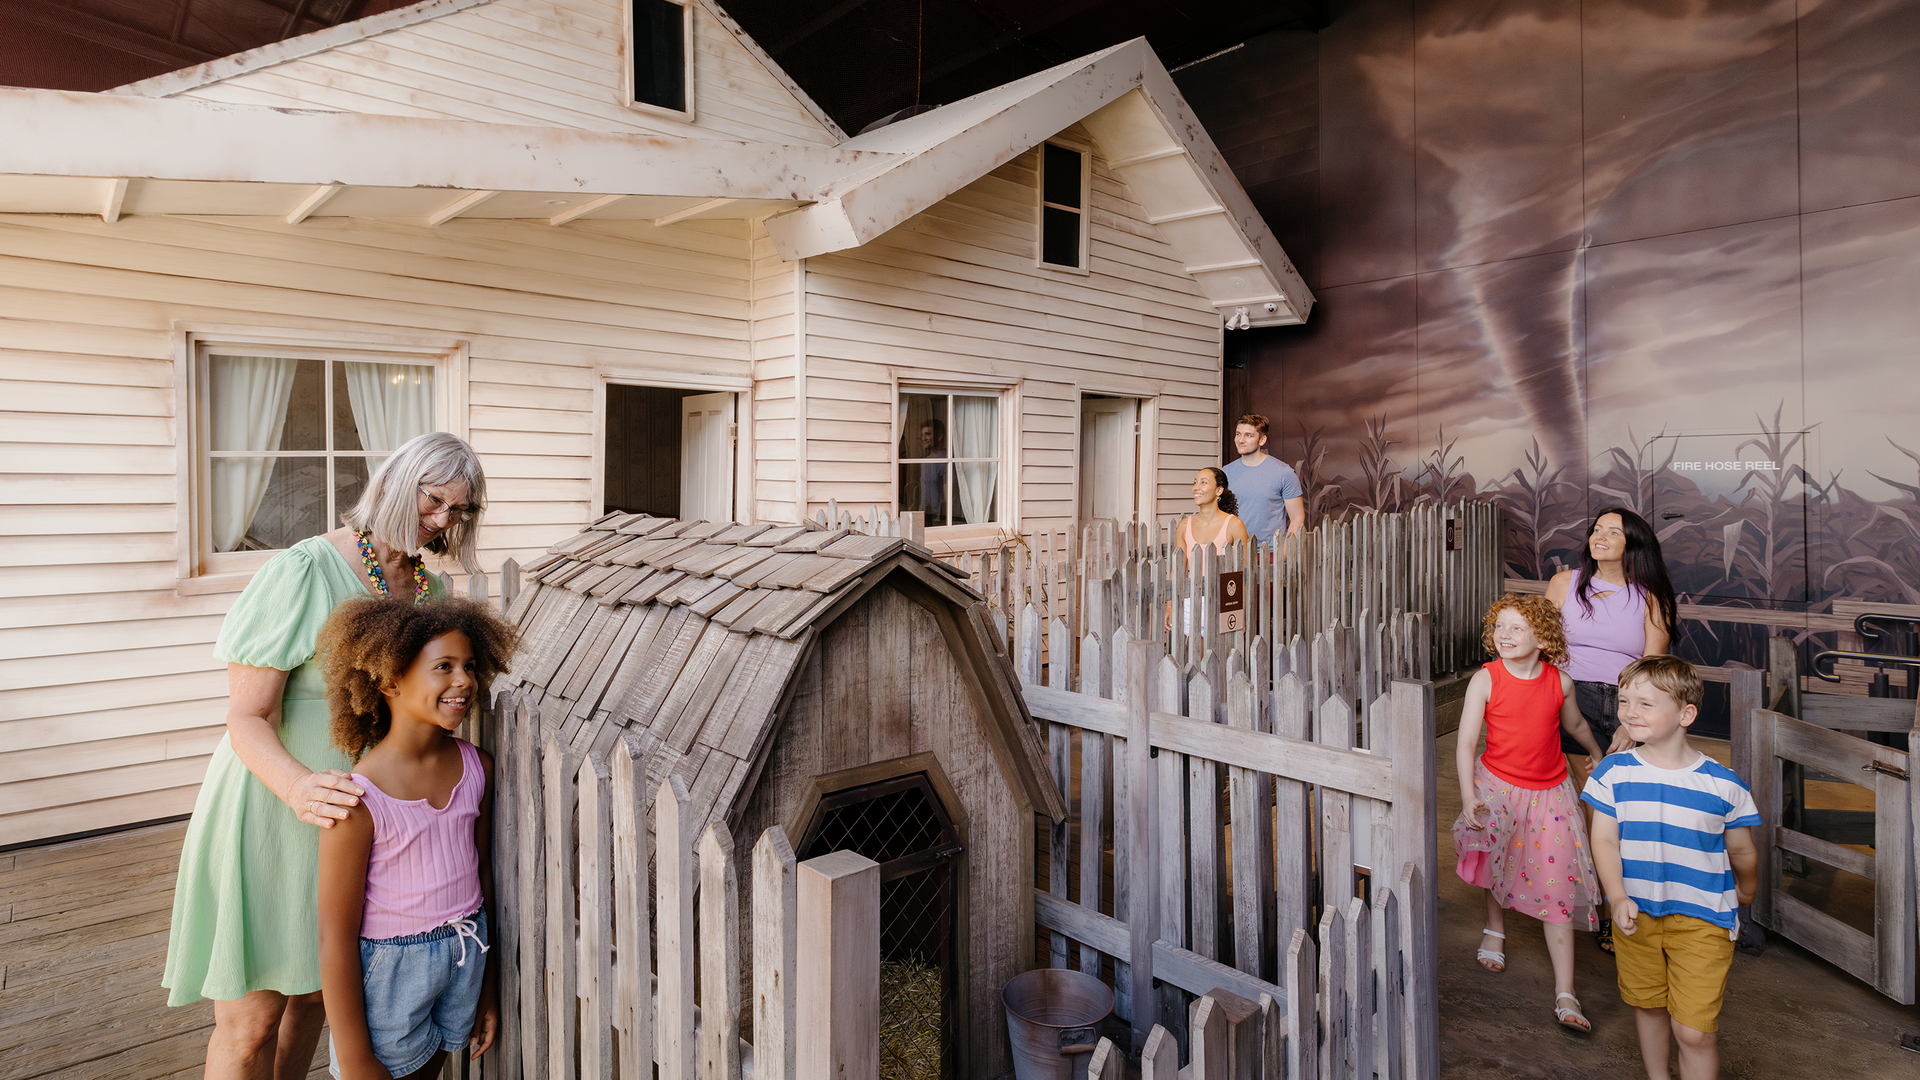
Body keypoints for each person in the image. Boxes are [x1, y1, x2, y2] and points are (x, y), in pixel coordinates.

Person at [164, 432, 487, 1080]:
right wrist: (298, 787)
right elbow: (246, 715)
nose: (442, 520)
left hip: (358, 821)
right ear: (394, 484)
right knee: (252, 1021)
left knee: (316, 994)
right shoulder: (303, 570)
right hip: (273, 807)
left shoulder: (430, 590)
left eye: (459, 510)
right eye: (433, 500)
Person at [316, 597, 517, 1080]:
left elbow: (483, 875)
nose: (464, 680)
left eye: (469, 666)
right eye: (444, 667)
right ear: (389, 681)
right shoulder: (358, 799)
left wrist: (487, 989)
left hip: (465, 953)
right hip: (392, 972)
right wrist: (356, 1057)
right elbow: (333, 936)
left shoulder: (477, 767)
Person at [1583, 656, 1760, 1080]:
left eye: (1645, 704)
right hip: (1636, 916)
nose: (1629, 712)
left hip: (1704, 919)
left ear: (1686, 714)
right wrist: (1616, 896)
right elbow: (1604, 840)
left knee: (1694, 1032)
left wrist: (1747, 890)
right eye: (1625, 701)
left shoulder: (1723, 783)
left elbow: (1743, 852)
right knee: (1649, 1006)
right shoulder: (1612, 773)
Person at [1453, 593, 1606, 1032]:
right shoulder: (1486, 679)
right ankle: (1495, 928)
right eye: (1499, 626)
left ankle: (1566, 991)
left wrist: (1597, 754)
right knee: (1495, 860)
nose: (1504, 635)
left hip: (1551, 795)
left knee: (1557, 881)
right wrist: (1468, 796)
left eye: (1517, 628)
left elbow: (1574, 725)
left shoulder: (1560, 682)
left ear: (1543, 638)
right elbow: (1466, 743)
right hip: (1497, 787)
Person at [1546, 506, 1678, 953]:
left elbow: (1652, 666)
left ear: (1633, 544)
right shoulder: (1565, 583)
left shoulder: (1652, 596)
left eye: (1613, 532)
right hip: (1571, 700)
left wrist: (1630, 721)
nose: (1600, 536)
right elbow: (1544, 645)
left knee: (1626, 807)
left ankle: (1632, 901)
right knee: (1592, 805)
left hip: (1627, 703)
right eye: (1597, 529)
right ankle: (1605, 911)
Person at [1222, 413, 1305, 545]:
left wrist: (1284, 553)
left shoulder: (1284, 473)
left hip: (1271, 551)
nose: (1241, 440)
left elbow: (1297, 518)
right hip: (1234, 551)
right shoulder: (1225, 473)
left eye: (1248, 435)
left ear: (1262, 440)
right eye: (1238, 434)